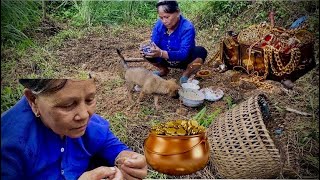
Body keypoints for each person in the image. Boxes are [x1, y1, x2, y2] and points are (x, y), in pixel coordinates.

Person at [1, 79, 147, 180]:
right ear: (33, 100)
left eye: (89, 100)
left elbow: (109, 144)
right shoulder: (9, 145)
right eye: (68, 105)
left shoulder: (90, 125)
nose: (84, 115)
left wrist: (127, 159)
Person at [141, 0, 208, 84]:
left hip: (184, 60)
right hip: (164, 60)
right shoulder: (159, 25)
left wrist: (161, 53)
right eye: (161, 18)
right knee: (146, 50)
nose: (164, 21)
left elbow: (183, 54)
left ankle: (186, 74)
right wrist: (149, 49)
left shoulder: (187, 28)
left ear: (177, 12)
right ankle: (163, 70)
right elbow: (154, 43)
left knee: (200, 51)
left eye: (167, 17)